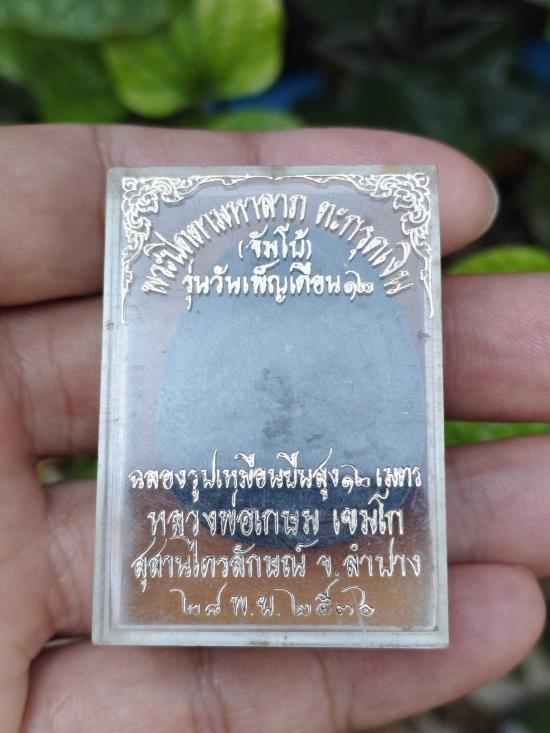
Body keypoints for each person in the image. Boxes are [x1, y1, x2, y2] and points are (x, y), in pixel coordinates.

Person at [0, 124, 546, 732]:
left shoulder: (359, 415)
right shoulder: (207, 419)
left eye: (322, 374)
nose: (285, 403)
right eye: (263, 380)